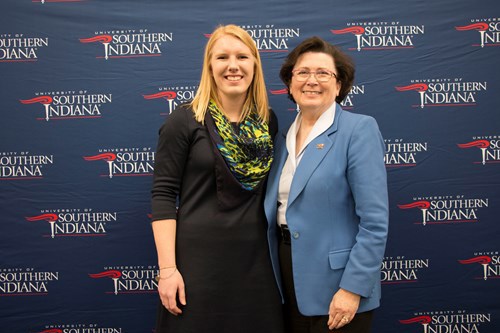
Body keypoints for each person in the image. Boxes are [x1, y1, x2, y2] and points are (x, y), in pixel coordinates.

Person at [150, 24, 284, 333]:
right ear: (210, 66)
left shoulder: (267, 122)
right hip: (197, 264)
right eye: (222, 57)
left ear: (255, 65)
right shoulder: (184, 119)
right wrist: (168, 270)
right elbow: (163, 195)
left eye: (242, 57)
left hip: (256, 262)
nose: (233, 66)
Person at [264, 36, 389, 333]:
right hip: (285, 275)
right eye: (303, 72)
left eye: (323, 73)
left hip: (338, 286)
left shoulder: (358, 130)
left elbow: (374, 222)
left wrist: (353, 289)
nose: (312, 81)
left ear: (339, 84)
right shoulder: (280, 139)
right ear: (290, 83)